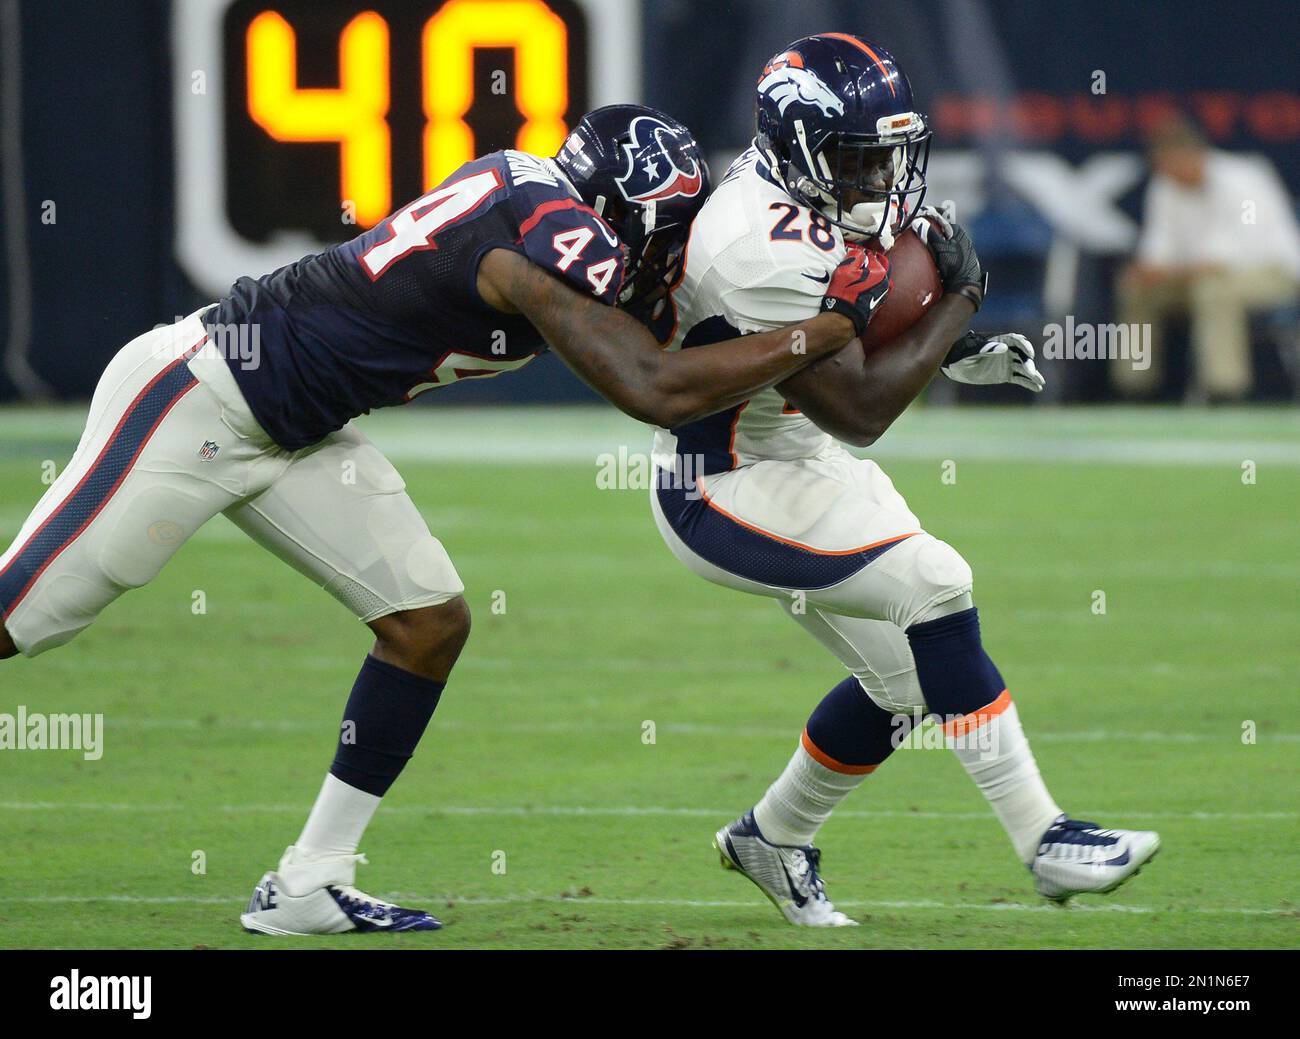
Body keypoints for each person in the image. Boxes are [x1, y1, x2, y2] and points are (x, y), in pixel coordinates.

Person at [0, 104, 881, 936]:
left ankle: (308, 882)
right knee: (24, 617)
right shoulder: (539, 248)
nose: (668, 252)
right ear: (620, 212)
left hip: (297, 433)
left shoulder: (536, 205)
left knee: (425, 623)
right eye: (666, 229)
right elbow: (651, 387)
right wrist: (824, 332)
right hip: (198, 397)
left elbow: (680, 333)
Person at [645, 34, 1159, 926]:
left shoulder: (814, 198)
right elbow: (862, 410)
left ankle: (772, 835)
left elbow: (867, 327)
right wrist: (962, 301)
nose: (882, 174)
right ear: (799, 147)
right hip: (724, 478)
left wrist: (953, 352)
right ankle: (1048, 841)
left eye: (890, 150)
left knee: (913, 683)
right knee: (937, 584)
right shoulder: (755, 249)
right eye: (859, 155)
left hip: (796, 448)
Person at [1115, 115, 1300, 402]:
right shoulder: (1165, 184)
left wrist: (1180, 270)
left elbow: (1237, 251)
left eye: (1173, 162)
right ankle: (1135, 388)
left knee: (1215, 290)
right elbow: (1159, 246)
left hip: (1272, 273)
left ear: (1195, 154)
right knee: (1137, 291)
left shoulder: (1244, 178)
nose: (1168, 170)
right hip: (1195, 277)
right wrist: (1148, 269)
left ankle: (1224, 390)